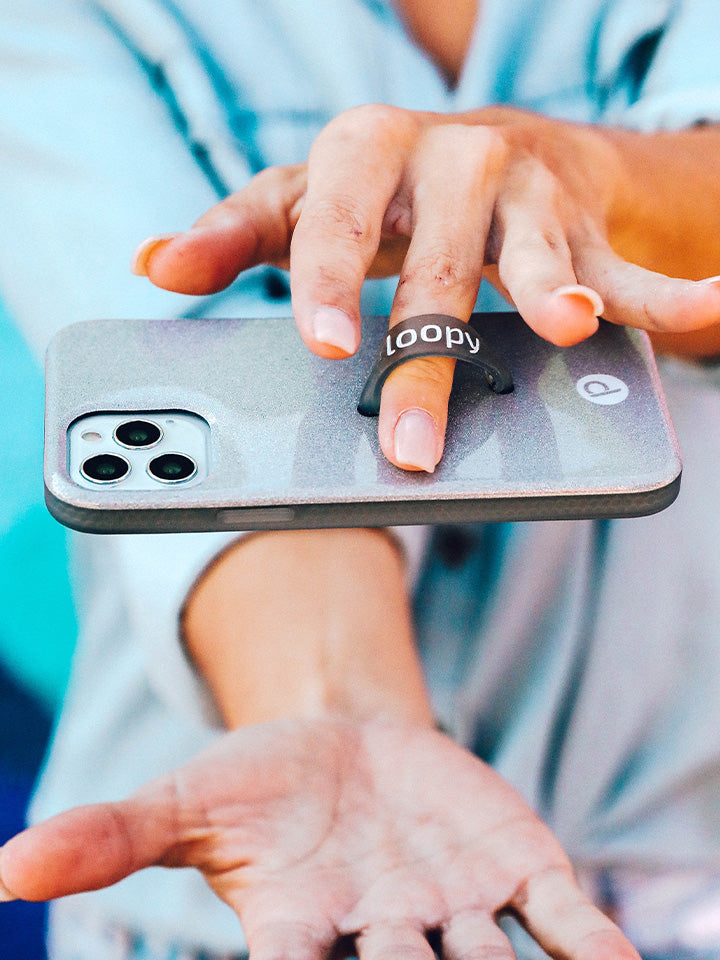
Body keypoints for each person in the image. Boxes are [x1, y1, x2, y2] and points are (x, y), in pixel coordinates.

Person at [1, 1, 720, 959]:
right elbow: (179, 381)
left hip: (668, 878)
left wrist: (592, 180)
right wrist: (339, 711)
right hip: (241, 886)